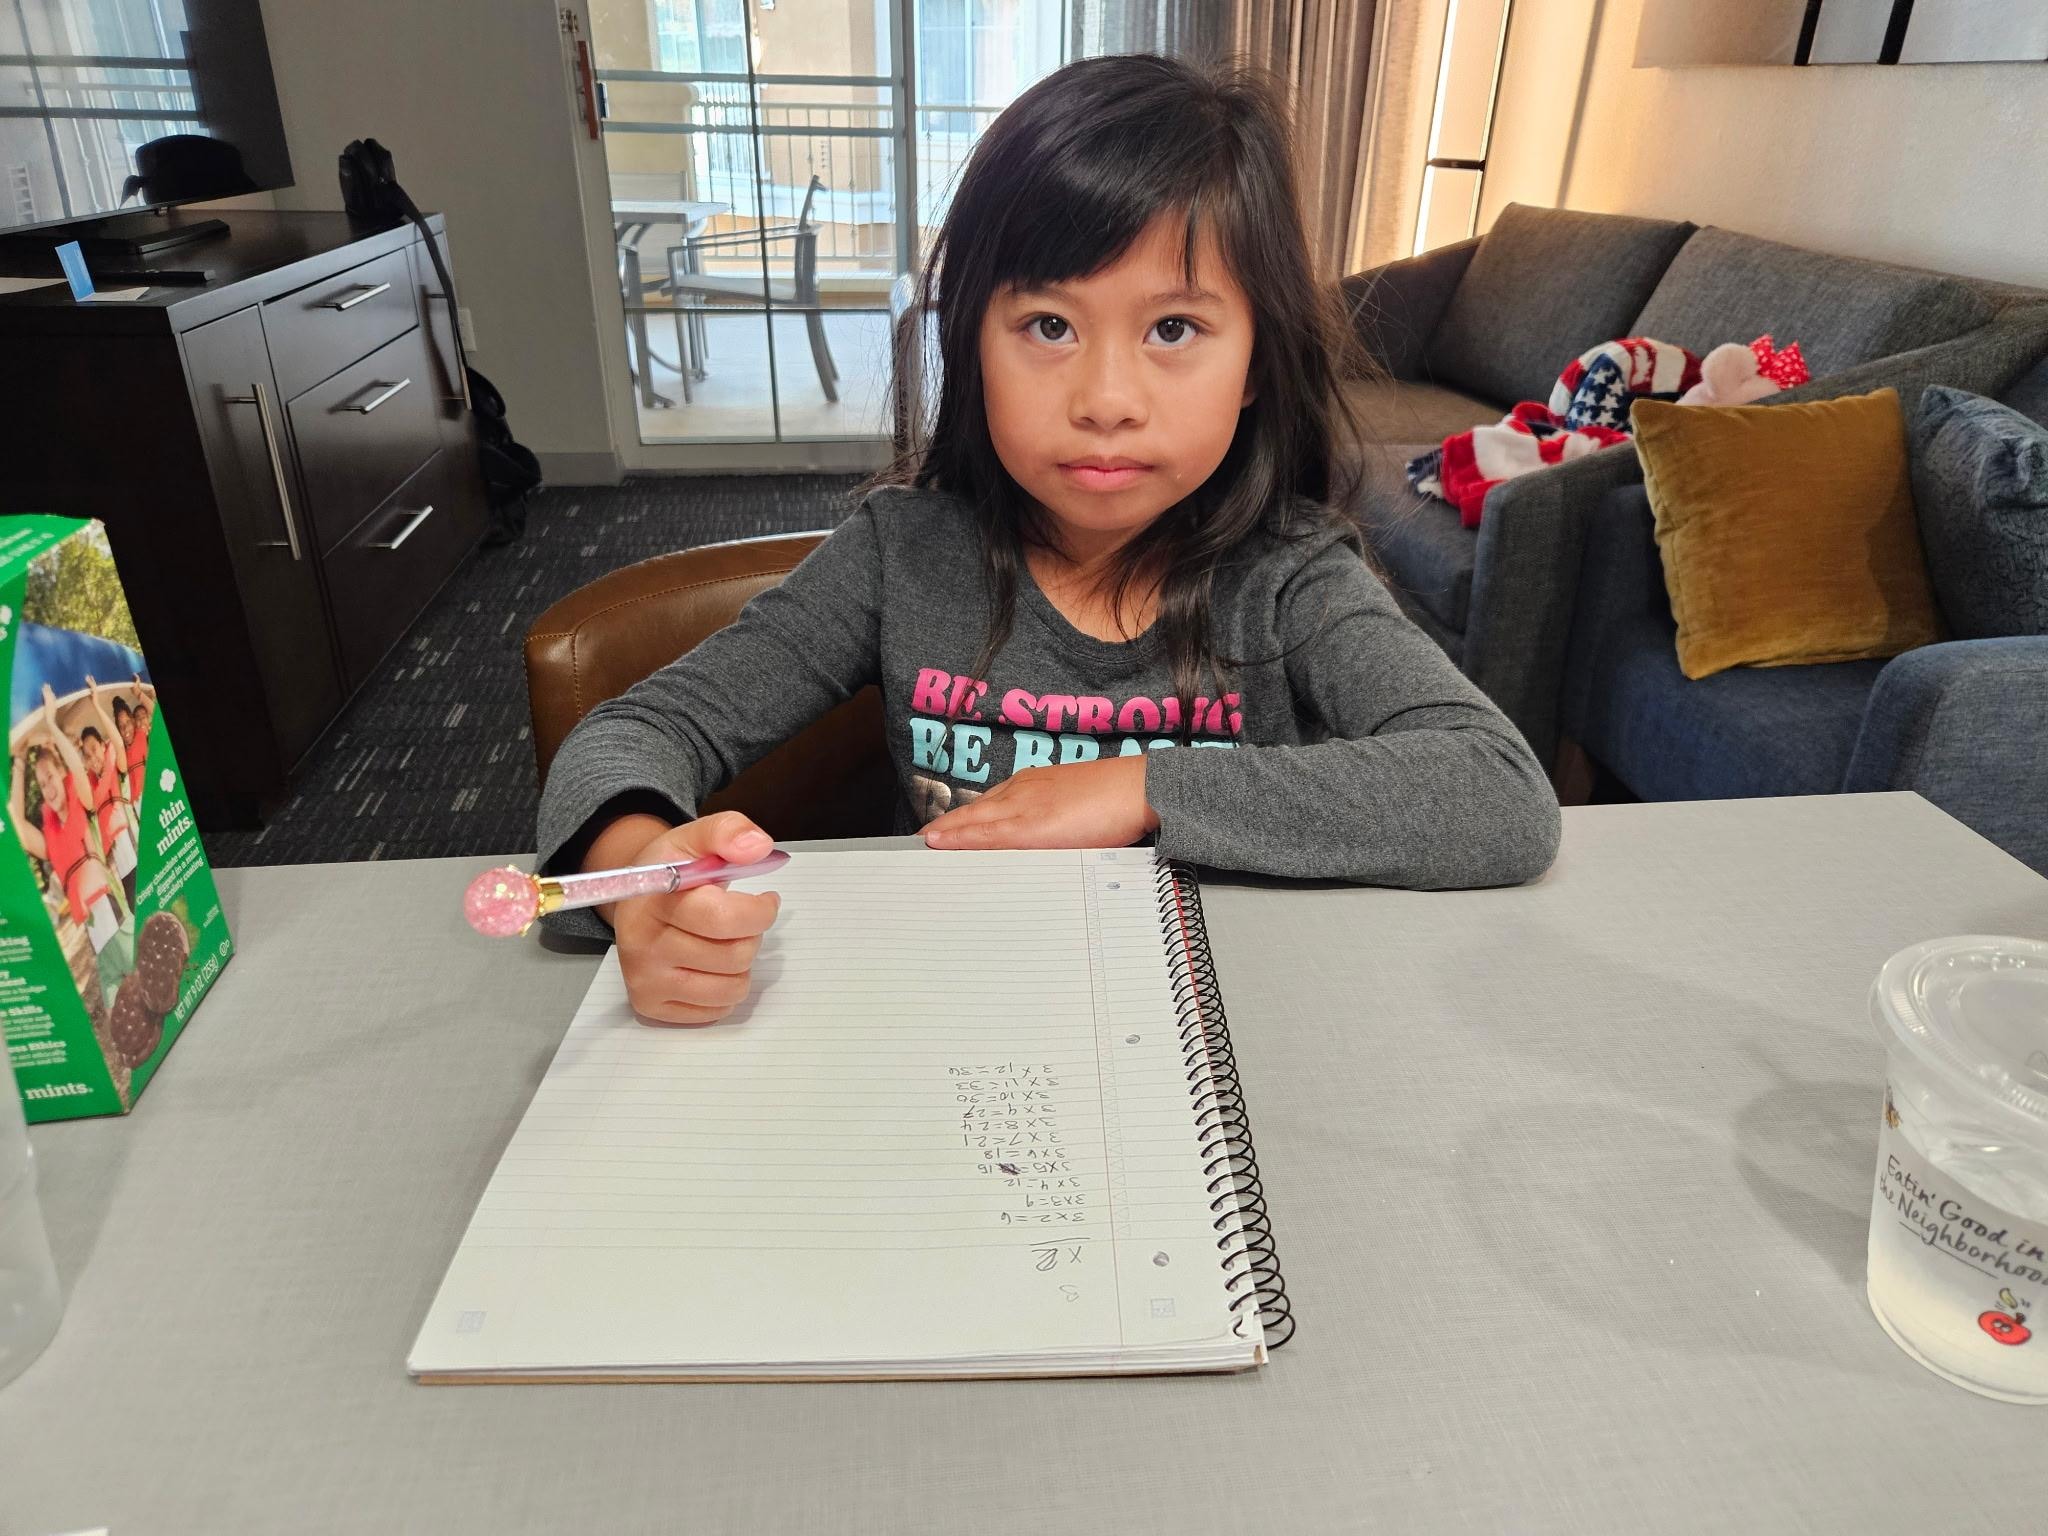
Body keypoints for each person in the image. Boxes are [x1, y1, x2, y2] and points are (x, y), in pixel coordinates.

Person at [535, 54, 1561, 1025]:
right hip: (947, 1011)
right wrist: (641, 880)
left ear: (1254, 364)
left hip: (1221, 1030)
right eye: (1047, 327)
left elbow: (1497, 793)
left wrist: (1142, 787)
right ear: (969, 342)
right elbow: (630, 735)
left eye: (1172, 330)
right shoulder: (898, 557)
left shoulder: (1289, 579)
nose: (1105, 402)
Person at [10, 686, 131, 987]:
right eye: (41, 783)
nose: (48, 788)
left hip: (116, 909)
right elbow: (17, 824)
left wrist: (52, 725)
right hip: (97, 935)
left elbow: (76, 769)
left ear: (61, 775)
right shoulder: (49, 838)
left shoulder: (84, 799)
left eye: (50, 777)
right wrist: (20, 764)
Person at [78, 675, 140, 911]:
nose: (93, 759)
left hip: (138, 848)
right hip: (122, 868)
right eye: (87, 755)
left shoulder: (119, 766)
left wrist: (95, 704)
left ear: (103, 747)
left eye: (95, 749)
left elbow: (114, 737)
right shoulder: (91, 789)